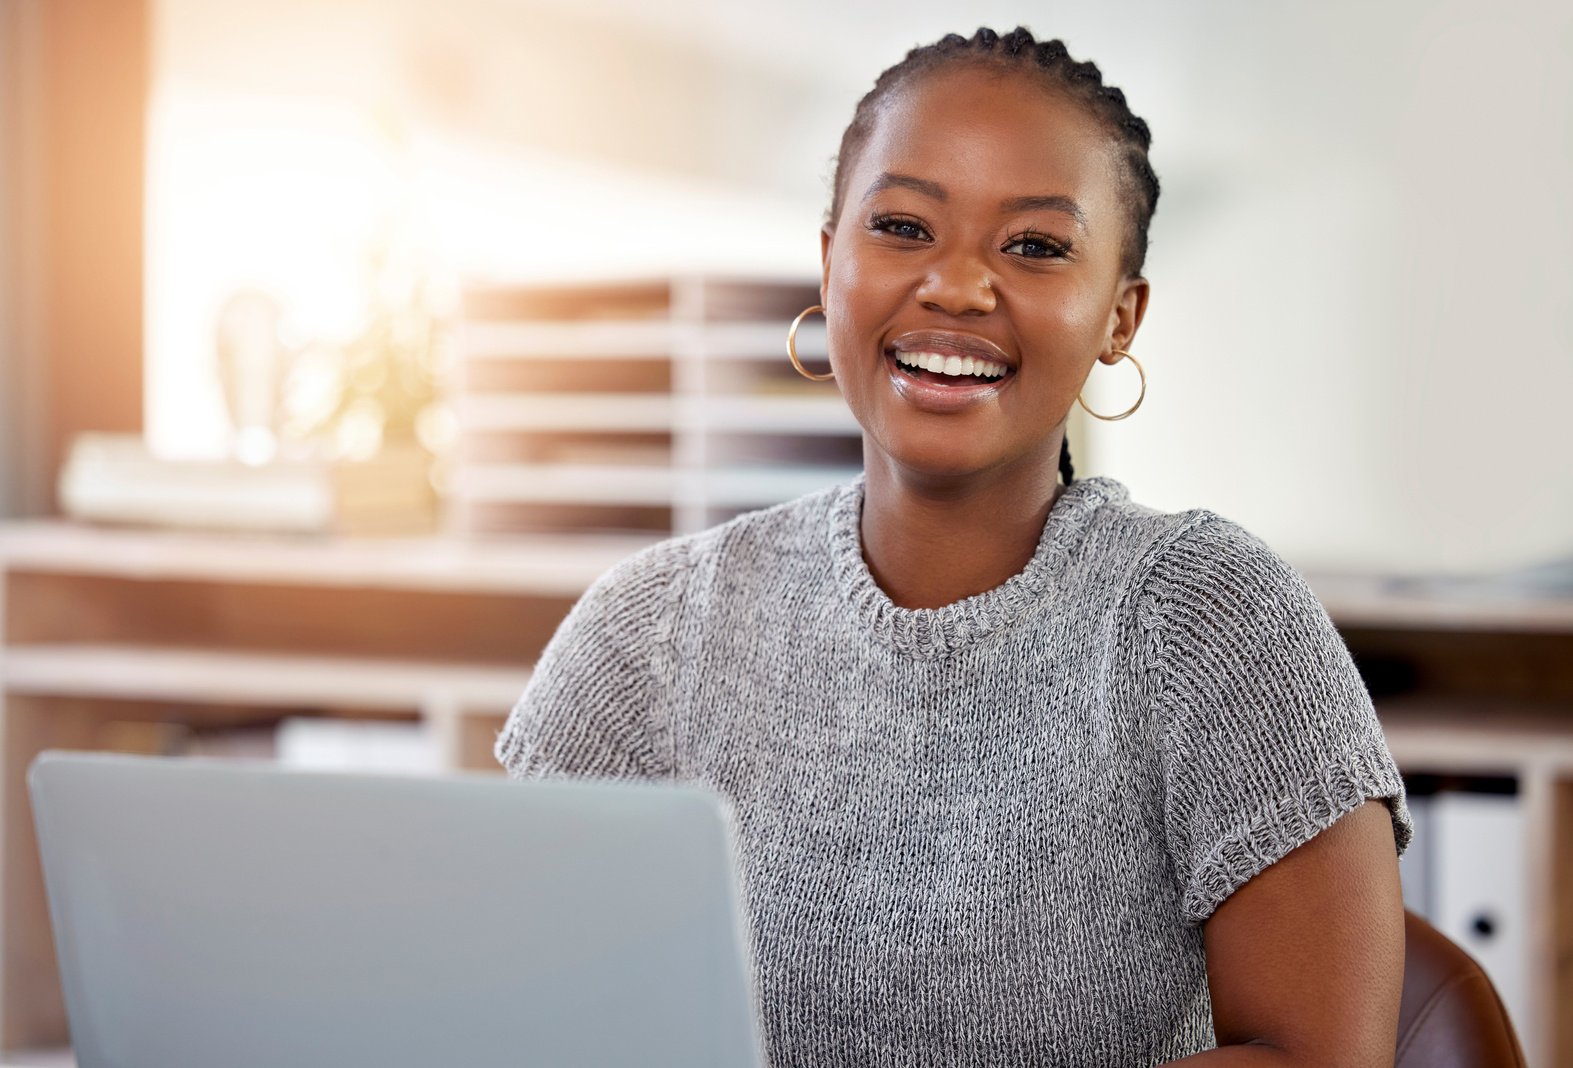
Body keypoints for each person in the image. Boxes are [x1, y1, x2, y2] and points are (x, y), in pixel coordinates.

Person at [496, 26, 1413, 1067]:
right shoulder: (647, 633)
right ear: (830, 260)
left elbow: (1318, 1058)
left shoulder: (1211, 622)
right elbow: (517, 1009)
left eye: (1034, 246)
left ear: (1120, 317)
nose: (958, 287)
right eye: (901, 226)